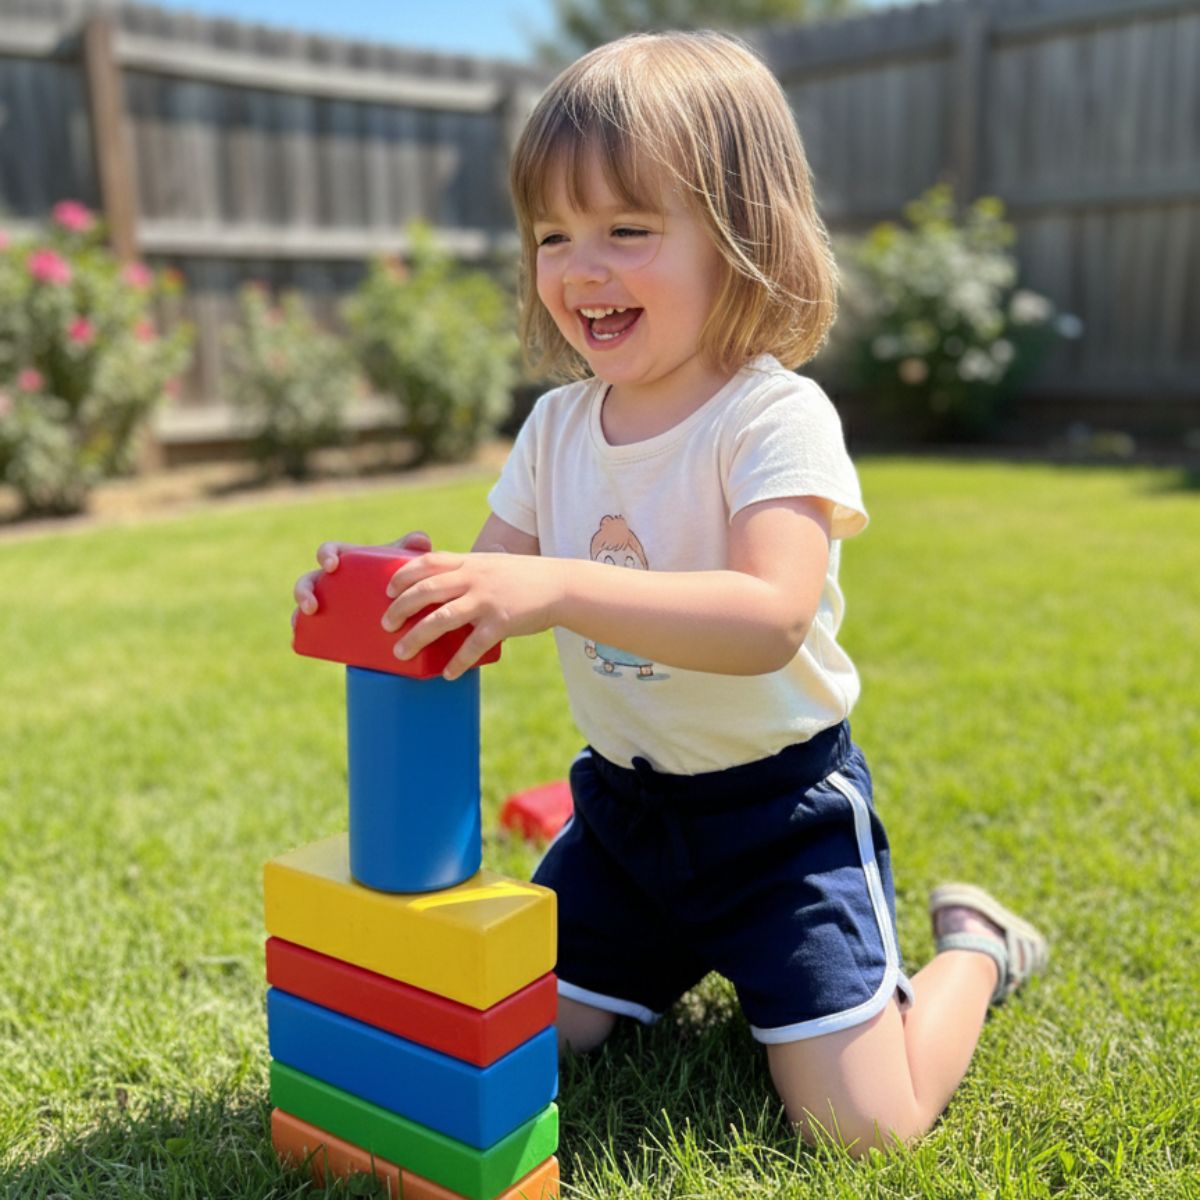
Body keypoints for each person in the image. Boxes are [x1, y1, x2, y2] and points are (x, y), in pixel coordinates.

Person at [293, 30, 1047, 1153]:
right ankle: (655, 958)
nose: (580, 268)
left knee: (866, 1129)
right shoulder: (556, 429)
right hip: (622, 823)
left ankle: (977, 945)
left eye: (627, 230)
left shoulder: (772, 418)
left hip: (780, 827)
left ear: (742, 239)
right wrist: (395, 591)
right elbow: (485, 601)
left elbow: (769, 619)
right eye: (553, 236)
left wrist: (556, 584)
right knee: (513, 1035)